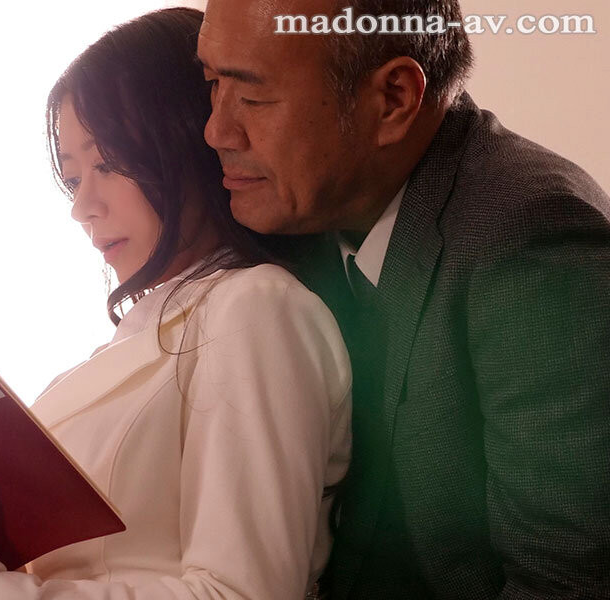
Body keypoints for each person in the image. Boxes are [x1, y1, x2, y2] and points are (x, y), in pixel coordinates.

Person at [0, 7, 352, 600]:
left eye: (109, 163)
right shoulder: (141, 336)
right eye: (74, 178)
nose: (83, 207)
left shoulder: (257, 308)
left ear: (191, 140)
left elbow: (242, 593)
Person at [197, 0, 610, 598]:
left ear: (393, 99)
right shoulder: (295, 219)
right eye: (212, 83)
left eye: (253, 97)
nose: (216, 131)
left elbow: (567, 582)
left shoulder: (532, 240)